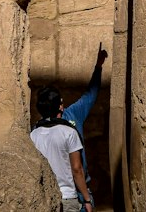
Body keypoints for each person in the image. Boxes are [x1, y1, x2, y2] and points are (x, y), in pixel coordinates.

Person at [30, 86, 94, 212]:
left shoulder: (33, 134)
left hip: (46, 196)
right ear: (60, 106)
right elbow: (77, 169)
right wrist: (87, 199)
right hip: (68, 196)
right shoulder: (69, 132)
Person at [60, 44, 107, 208]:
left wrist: (98, 67)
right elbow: (76, 167)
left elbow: (90, 94)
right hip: (67, 191)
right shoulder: (40, 129)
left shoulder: (72, 114)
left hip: (72, 190)